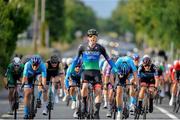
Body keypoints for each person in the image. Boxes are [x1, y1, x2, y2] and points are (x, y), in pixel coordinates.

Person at [70, 29, 118, 119]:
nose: (93, 39)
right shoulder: (82, 47)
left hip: (96, 72)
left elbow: (108, 59)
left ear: (97, 38)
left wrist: (115, 68)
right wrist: (71, 70)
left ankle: (96, 112)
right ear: (88, 38)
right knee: (84, 87)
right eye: (91, 37)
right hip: (85, 72)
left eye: (95, 37)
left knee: (98, 91)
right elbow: (75, 60)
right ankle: (84, 104)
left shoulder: (100, 48)